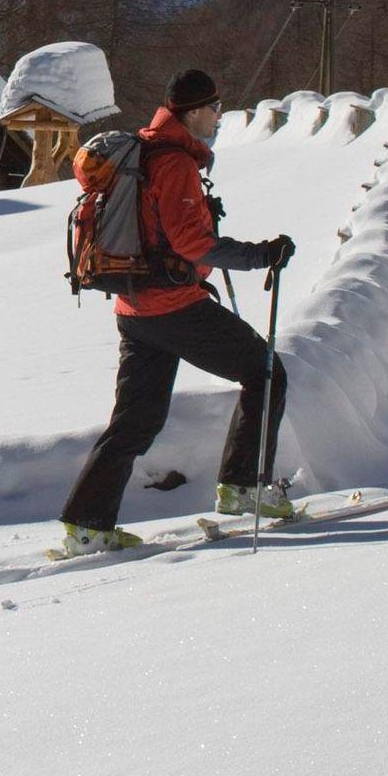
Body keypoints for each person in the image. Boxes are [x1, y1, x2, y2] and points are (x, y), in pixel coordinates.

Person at [58, 69, 296, 555]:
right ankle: (244, 486)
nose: (218, 117)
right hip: (174, 307)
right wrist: (259, 255)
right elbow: (192, 243)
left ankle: (88, 525)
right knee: (265, 372)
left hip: (134, 308)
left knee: (135, 421)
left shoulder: (143, 151)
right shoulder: (174, 162)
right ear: (192, 112)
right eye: (214, 108)